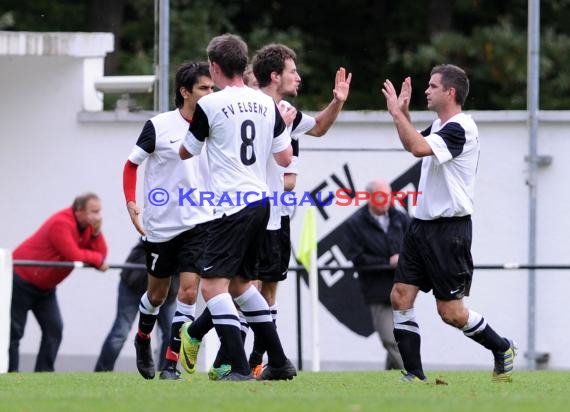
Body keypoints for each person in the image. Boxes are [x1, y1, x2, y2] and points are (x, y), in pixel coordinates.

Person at [381, 64, 516, 382]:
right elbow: (413, 144)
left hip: (449, 231)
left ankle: (501, 347)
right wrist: (402, 115)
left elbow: (417, 147)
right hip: (420, 227)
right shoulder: (440, 125)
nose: (426, 90)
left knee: (451, 313)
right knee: (400, 296)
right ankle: (413, 374)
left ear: (450, 92)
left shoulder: (461, 128)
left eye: (432, 86)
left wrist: (397, 114)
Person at [178, 33, 296, 381]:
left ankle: (240, 369)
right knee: (242, 285)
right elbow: (285, 157)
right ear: (243, 63)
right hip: (261, 202)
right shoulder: (265, 104)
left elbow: (188, 151)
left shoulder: (209, 106)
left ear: (214, 67)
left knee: (212, 288)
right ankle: (278, 362)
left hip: (230, 205)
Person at [247, 43, 352, 375]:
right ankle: (220, 349)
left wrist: (337, 101)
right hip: (249, 213)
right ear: (276, 75)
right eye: (293, 71)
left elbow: (319, 127)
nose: (299, 77)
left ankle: (256, 361)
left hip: (277, 216)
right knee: (243, 286)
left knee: (269, 288)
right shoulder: (256, 110)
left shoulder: (287, 111)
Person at [123, 61, 215, 380]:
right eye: (204, 88)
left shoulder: (216, 124)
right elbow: (131, 165)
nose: (209, 93)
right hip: (161, 225)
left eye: (212, 88)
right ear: (185, 91)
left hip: (200, 222)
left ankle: (170, 364)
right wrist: (132, 202)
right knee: (157, 296)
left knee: (188, 293)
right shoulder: (159, 125)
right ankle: (143, 337)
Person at [9, 192, 108, 372]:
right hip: (21, 280)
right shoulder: (60, 223)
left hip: (46, 288)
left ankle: (43, 374)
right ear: (78, 211)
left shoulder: (87, 228)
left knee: (54, 329)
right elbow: (74, 255)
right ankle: (10, 374)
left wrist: (96, 233)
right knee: (15, 331)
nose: (98, 216)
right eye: (94, 211)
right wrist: (96, 259)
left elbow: (102, 255)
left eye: (99, 211)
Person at [344, 179, 408, 370]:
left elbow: (415, 247)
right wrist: (388, 263)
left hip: (403, 287)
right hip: (377, 289)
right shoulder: (354, 224)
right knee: (389, 337)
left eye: (389, 196)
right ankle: (412, 372)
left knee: (401, 335)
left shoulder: (402, 218)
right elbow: (357, 258)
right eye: (381, 196)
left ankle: (391, 371)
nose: (386, 201)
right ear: (369, 197)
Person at [94, 239, 178, 372]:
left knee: (172, 332)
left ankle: (167, 371)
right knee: (120, 332)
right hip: (134, 285)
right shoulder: (158, 229)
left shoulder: (192, 236)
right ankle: (101, 372)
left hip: (167, 293)